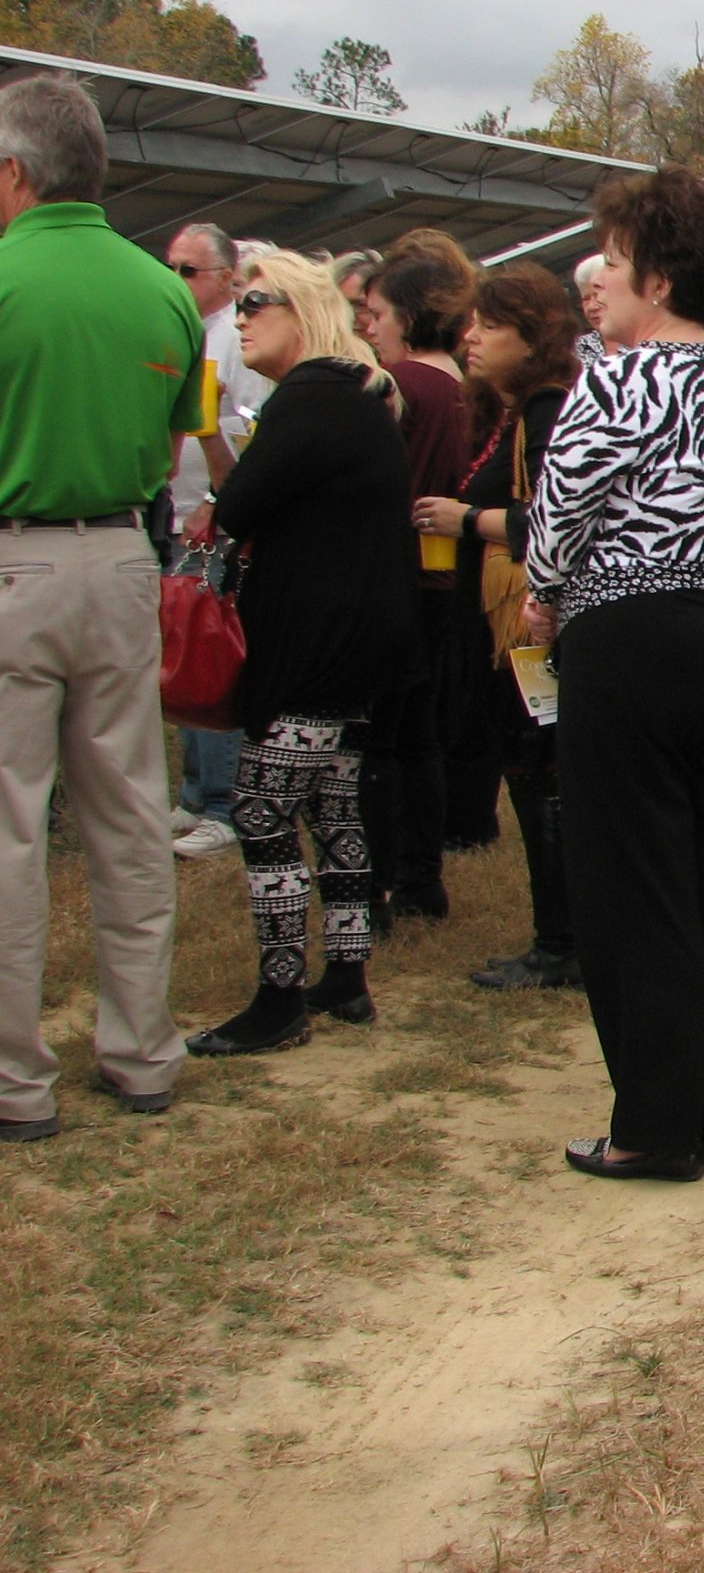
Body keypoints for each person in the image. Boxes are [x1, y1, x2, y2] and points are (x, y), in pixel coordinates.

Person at [525, 167, 704, 1180]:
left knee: (634, 876)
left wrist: (542, 595)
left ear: (660, 280)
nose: (602, 280)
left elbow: (562, 511)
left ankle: (654, 1126)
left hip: (638, 634)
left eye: (618, 262)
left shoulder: (618, 377)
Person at [0, 73, 203, 1138]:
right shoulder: (164, 290)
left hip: (14, 562)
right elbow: (173, 443)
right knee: (129, 811)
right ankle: (141, 1052)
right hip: (125, 557)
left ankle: (14, 1080)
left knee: (12, 827)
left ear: (15, 172)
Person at [187, 253, 417, 1057]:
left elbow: (238, 506)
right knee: (332, 804)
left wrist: (214, 449)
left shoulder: (310, 399)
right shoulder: (355, 397)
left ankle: (279, 997)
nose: (241, 317)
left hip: (317, 646)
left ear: (304, 310)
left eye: (256, 301)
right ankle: (347, 977)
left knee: (259, 808)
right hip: (361, 644)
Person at [412, 265, 584, 991]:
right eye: (470, 324)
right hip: (505, 625)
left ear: (532, 336)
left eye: (490, 325)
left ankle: (562, 940)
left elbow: (555, 517)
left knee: (541, 775)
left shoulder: (546, 408)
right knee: (531, 773)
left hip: (529, 625)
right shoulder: (508, 411)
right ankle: (560, 935)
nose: (471, 338)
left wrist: (467, 520)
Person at [355, 231, 473, 921]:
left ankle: (378, 880)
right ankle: (422, 877)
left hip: (400, 574)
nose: (369, 326)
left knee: (380, 739)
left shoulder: (398, 387)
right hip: (447, 579)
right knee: (421, 732)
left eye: (377, 313)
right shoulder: (463, 386)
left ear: (408, 314)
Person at [167, 221, 273, 861]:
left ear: (226, 278)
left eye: (189, 270)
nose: (176, 280)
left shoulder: (236, 336)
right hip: (176, 512)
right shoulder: (179, 328)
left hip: (214, 519)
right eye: (171, 268)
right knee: (181, 650)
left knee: (210, 651)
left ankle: (223, 804)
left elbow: (252, 429)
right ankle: (194, 790)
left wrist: (215, 501)